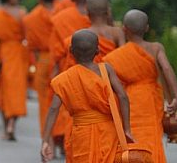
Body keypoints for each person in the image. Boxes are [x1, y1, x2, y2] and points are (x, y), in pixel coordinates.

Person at [41, 30, 132, 162]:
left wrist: (45, 140)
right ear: (97, 51)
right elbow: (123, 96)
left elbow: (53, 109)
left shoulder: (64, 79)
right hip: (107, 132)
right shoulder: (106, 70)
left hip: (81, 134)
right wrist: (127, 129)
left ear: (71, 51)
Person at [103, 9, 177, 163]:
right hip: (151, 98)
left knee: (131, 138)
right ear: (146, 28)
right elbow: (166, 68)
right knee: (151, 135)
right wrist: (176, 96)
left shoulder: (115, 57)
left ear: (124, 29)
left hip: (128, 99)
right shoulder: (155, 48)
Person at [48, 0, 93, 156]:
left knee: (72, 112)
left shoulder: (61, 18)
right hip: (97, 73)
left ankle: (72, 147)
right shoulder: (98, 16)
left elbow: (57, 51)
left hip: (71, 71)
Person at [0, 0, 28, 140]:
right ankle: (12, 125)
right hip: (19, 54)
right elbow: (27, 36)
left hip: (2, 55)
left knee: (5, 92)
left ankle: (6, 128)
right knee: (17, 91)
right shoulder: (22, 14)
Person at [23, 0, 56, 137]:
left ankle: (47, 138)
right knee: (62, 99)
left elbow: (32, 46)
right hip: (62, 60)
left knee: (44, 101)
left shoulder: (31, 18)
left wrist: (38, 61)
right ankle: (61, 139)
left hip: (43, 60)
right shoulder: (62, 13)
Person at [60, 0, 125, 70]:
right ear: (108, 11)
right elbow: (123, 57)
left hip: (90, 77)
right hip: (113, 74)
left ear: (87, 12)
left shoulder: (83, 36)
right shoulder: (117, 32)